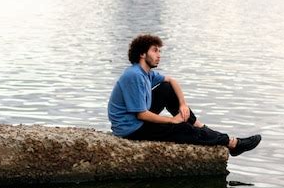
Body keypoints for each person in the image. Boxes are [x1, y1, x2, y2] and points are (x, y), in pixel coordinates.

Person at [107, 34, 261, 156]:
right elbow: (141, 115)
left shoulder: (146, 73)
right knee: (182, 129)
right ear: (142, 53)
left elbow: (171, 80)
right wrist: (172, 120)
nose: (159, 55)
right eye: (155, 50)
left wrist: (182, 104)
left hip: (136, 119)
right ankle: (232, 143)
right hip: (131, 128)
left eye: (159, 51)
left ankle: (200, 125)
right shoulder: (134, 76)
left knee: (167, 88)